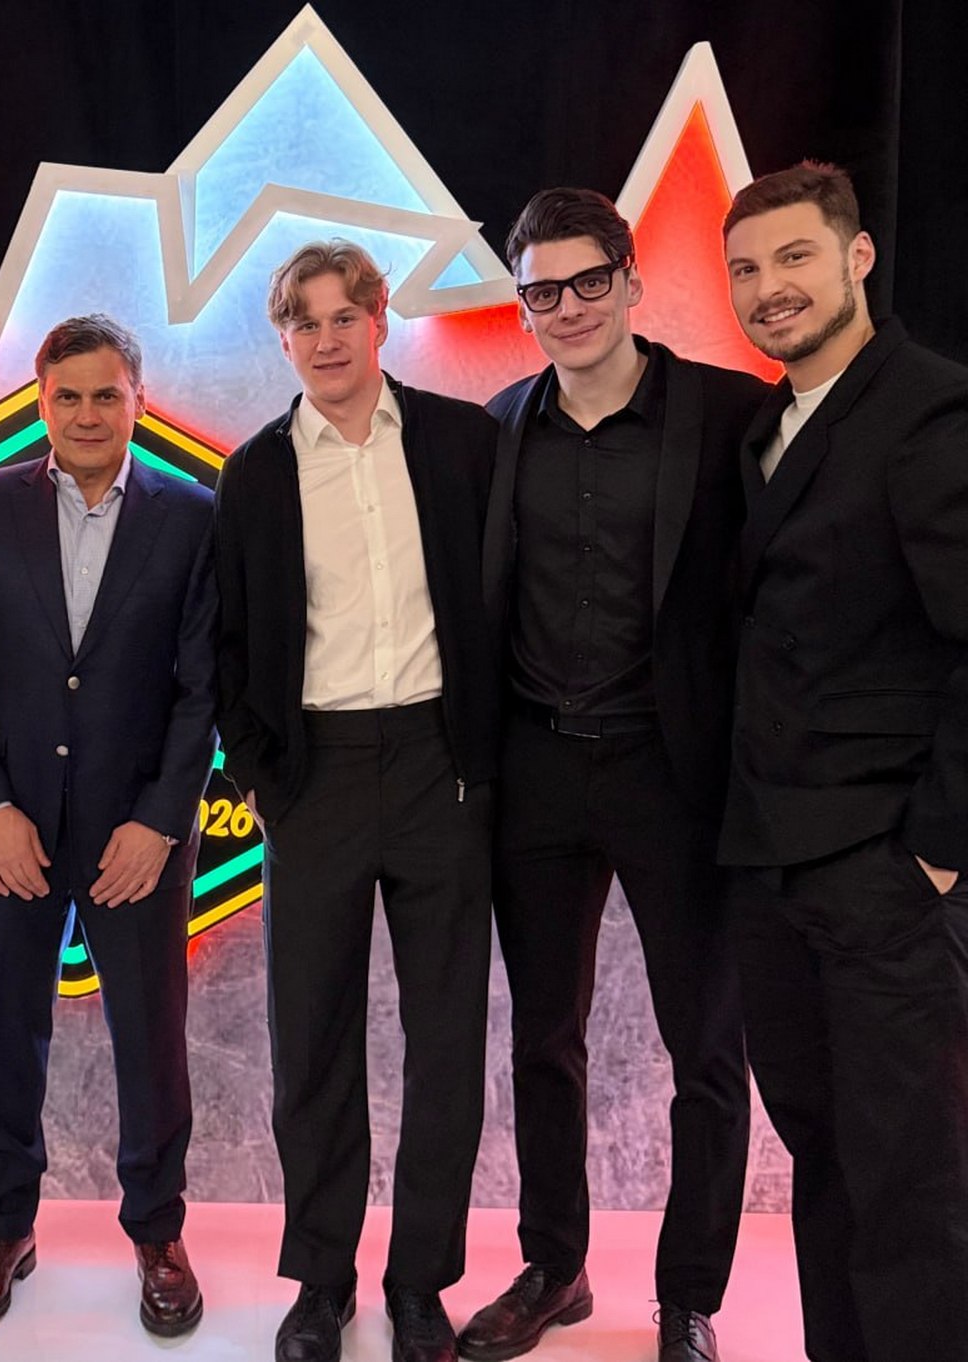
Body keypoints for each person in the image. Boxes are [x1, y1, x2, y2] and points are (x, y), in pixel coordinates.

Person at [457, 188, 765, 1362]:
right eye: (544, 289)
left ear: (632, 282)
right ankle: (555, 1267)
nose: (570, 305)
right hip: (534, 768)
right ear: (521, 305)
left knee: (705, 1047)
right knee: (544, 1038)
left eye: (590, 280)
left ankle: (688, 1297)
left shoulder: (729, 416)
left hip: (673, 772)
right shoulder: (496, 429)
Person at [215, 240, 499, 1362]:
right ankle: (322, 1282)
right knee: (313, 1043)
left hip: (440, 766)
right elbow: (228, 639)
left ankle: (421, 1283)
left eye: (346, 316)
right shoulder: (255, 472)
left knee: (447, 1042)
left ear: (381, 319)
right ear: (282, 339)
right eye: (305, 321)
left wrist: (483, 758)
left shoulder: (463, 442)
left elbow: (507, 598)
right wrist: (262, 776)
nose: (327, 339)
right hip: (316, 775)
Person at [719, 162, 968, 1362]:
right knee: (821, 1164)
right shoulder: (766, 428)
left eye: (794, 258)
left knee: (910, 1185)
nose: (768, 288)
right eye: (745, 270)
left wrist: (935, 854)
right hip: (773, 869)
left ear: (857, 257)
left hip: (881, 872)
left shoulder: (928, 411)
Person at [0, 314, 217, 1338]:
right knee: (6, 1032)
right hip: (11, 831)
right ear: (40, 401)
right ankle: (5, 1229)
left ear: (138, 398)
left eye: (106, 395)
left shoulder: (194, 515)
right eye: (68, 396)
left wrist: (159, 822)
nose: (87, 414)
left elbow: (201, 688)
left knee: (153, 1039)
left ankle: (158, 1233)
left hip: (136, 837)